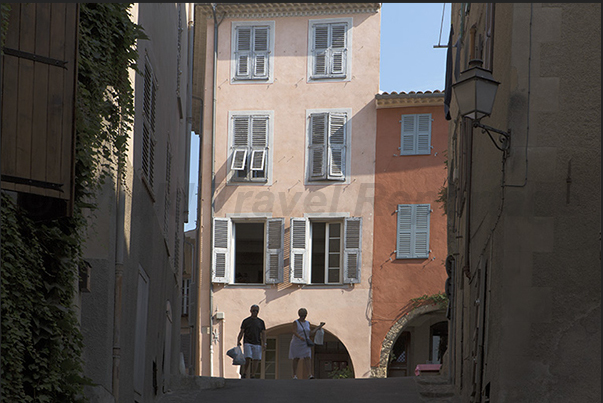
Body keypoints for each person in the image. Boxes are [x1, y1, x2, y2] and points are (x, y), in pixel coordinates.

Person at [289, 307, 325, 379]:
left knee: (308, 357)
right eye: (302, 315)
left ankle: (309, 374)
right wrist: (299, 337)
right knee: (296, 358)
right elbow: (294, 331)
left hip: (305, 342)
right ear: (299, 315)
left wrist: (319, 327)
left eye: (304, 315)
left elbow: (310, 333)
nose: (303, 317)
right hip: (297, 343)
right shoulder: (296, 322)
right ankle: (294, 375)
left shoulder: (307, 323)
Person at [237, 304, 266, 379]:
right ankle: (245, 372)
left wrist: (264, 343)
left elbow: (263, 333)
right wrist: (238, 340)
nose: (255, 312)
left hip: (257, 342)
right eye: (253, 311)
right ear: (250, 311)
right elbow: (242, 331)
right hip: (248, 342)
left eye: (256, 311)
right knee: (248, 357)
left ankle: (253, 374)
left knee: (256, 359)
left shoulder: (261, 322)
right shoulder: (246, 321)